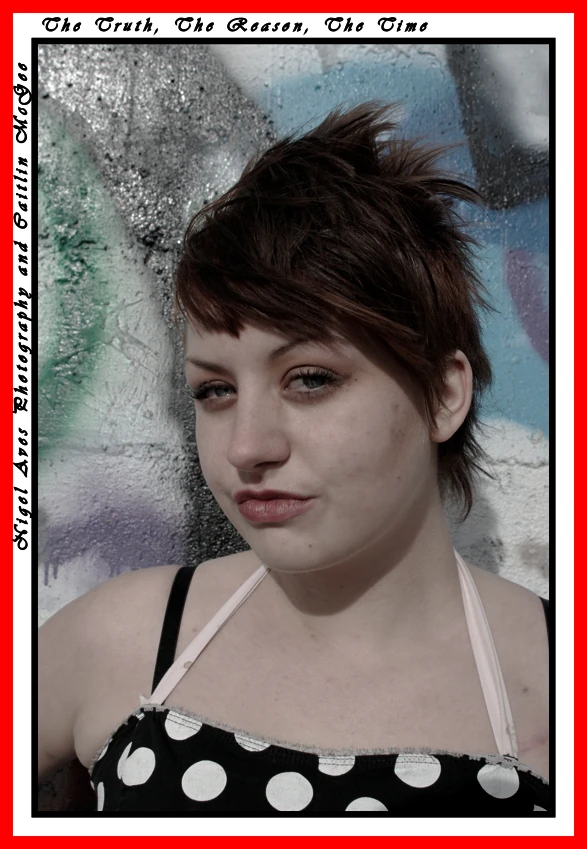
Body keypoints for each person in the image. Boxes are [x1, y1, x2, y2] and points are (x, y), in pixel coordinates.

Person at [38, 102, 549, 814]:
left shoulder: (555, 682)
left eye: (309, 379)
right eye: (215, 390)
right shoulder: (122, 639)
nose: (247, 446)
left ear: (442, 394)